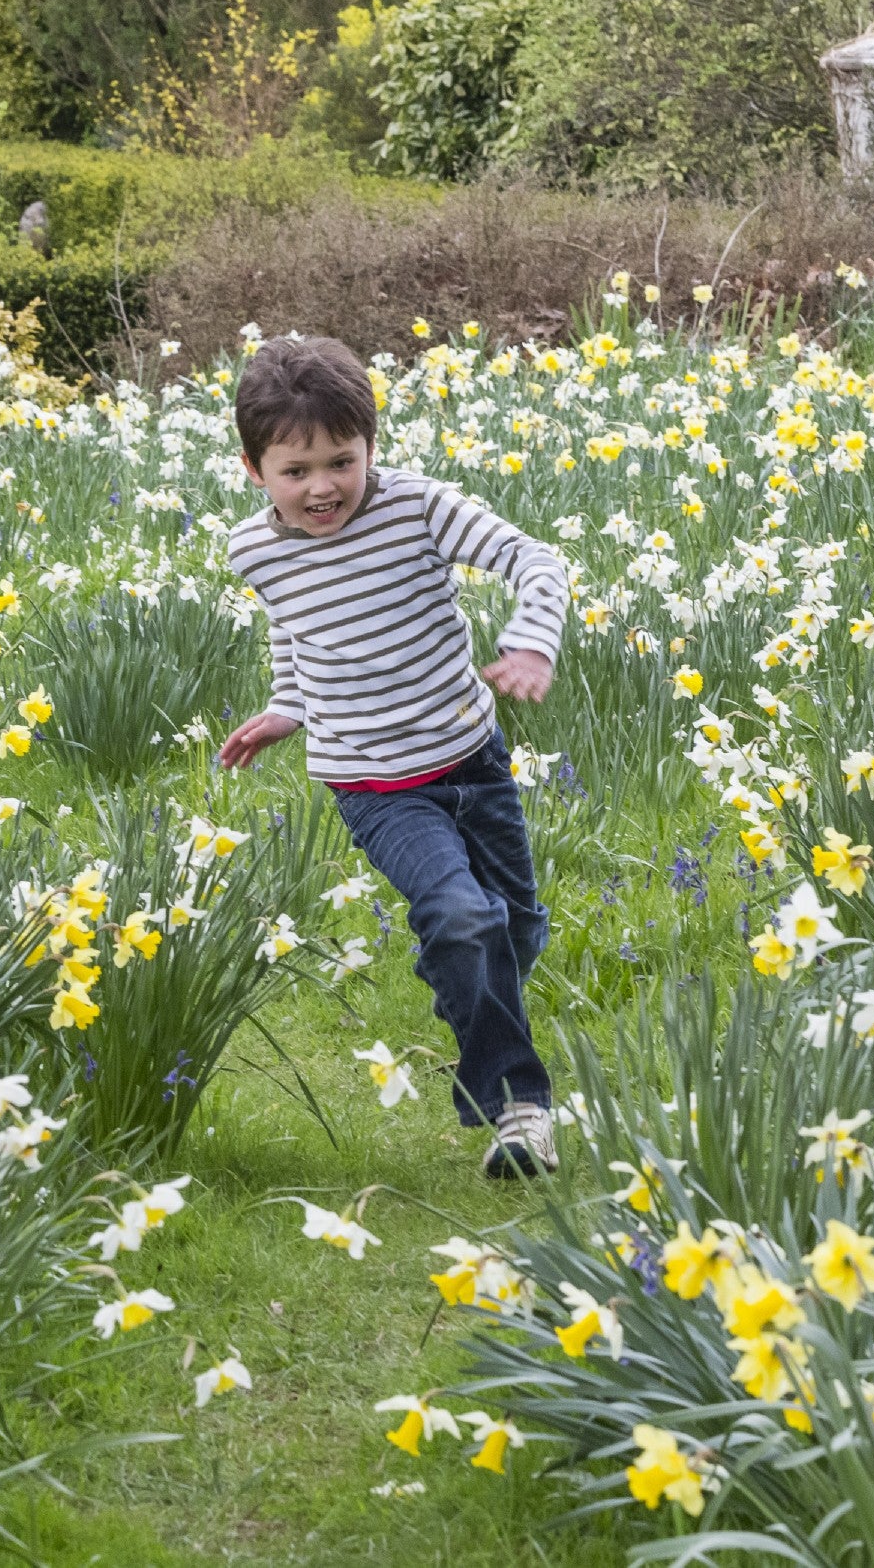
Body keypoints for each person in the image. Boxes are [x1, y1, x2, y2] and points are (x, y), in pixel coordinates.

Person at [215, 335, 569, 1178]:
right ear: (253, 468)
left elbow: (536, 559)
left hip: (469, 759)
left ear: (372, 446)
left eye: (342, 461)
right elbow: (296, 633)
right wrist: (286, 710)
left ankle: (458, 967)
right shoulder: (253, 550)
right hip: (373, 786)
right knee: (463, 919)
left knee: (513, 931)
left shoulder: (416, 507)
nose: (323, 487)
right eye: (295, 471)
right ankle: (519, 1109)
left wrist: (531, 644)